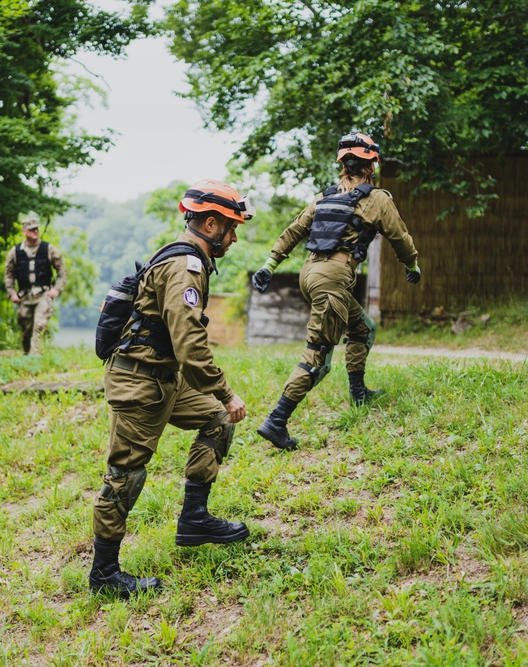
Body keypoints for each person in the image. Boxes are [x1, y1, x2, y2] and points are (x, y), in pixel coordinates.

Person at [89, 179, 254, 597]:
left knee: (216, 421)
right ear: (211, 223)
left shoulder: (186, 259)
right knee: (124, 476)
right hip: (139, 383)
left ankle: (194, 520)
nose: (234, 238)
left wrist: (218, 402)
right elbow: (191, 347)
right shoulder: (185, 267)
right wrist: (228, 392)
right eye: (232, 228)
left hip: (164, 380)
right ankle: (104, 575)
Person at [251, 131, 421, 451]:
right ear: (372, 164)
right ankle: (277, 420)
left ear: (342, 164)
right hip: (332, 280)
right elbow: (401, 238)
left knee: (362, 328)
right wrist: (412, 266)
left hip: (310, 274)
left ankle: (358, 393)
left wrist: (269, 265)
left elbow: (293, 232)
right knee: (318, 357)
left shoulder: (323, 197)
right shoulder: (376, 199)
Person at [3, 213, 67, 355]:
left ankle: (35, 358)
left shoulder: (49, 249)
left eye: (37, 229)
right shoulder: (15, 251)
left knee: (39, 325)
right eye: (32, 229)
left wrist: (56, 289)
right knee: (26, 330)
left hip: (43, 295)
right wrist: (12, 293)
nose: (36, 231)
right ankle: (27, 356)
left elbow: (62, 271)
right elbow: (8, 274)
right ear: (24, 231)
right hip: (25, 297)